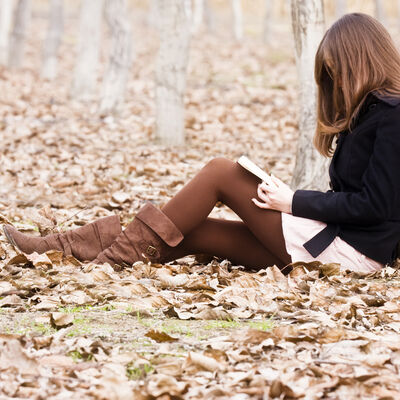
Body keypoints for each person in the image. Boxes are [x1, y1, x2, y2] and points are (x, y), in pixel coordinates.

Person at [3, 13, 400, 274]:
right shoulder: (370, 113)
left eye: (338, 73)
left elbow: (374, 206)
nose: (338, 85)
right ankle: (55, 249)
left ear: (361, 61)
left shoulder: (391, 114)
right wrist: (294, 202)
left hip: (348, 254)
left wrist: (292, 200)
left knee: (221, 172)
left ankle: (107, 263)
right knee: (186, 230)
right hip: (330, 239)